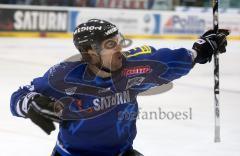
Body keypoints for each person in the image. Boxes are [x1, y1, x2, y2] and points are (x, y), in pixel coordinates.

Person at [10, 19, 229, 156]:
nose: (120, 50)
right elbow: (19, 98)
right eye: (110, 45)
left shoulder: (137, 66)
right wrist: (30, 103)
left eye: (118, 41)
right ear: (89, 53)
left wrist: (202, 48)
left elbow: (175, 60)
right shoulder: (64, 75)